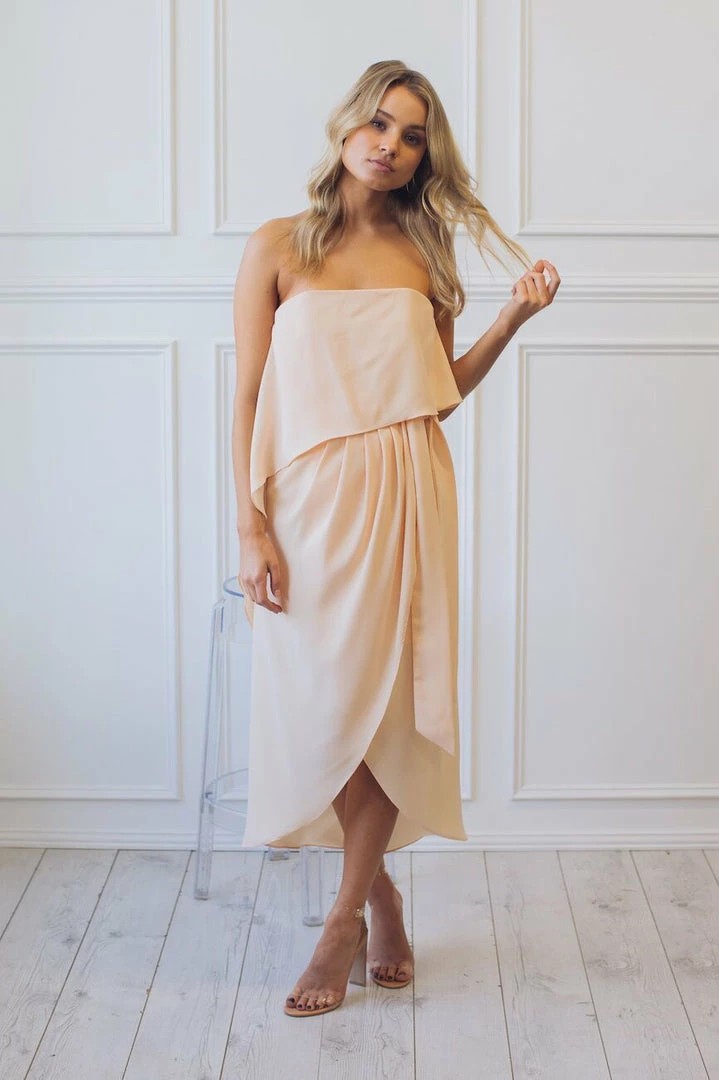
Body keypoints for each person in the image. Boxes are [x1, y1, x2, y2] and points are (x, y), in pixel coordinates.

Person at [231, 60, 560, 1018]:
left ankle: (341, 921)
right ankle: (377, 892)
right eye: (379, 123)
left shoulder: (425, 254)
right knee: (324, 706)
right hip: (304, 503)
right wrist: (249, 522)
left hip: (408, 492)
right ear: (346, 126)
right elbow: (246, 394)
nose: (390, 145)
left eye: (412, 136)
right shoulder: (275, 246)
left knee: (383, 713)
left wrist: (512, 316)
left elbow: (438, 394)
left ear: (424, 158)